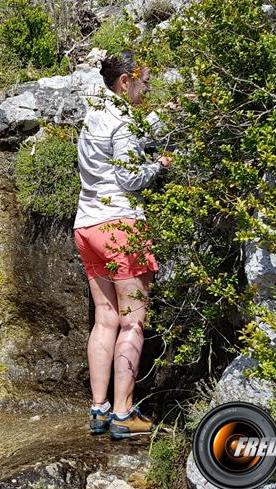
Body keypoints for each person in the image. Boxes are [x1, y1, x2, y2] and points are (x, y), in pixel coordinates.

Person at [73, 51, 172, 440]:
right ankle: (124, 413)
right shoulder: (122, 121)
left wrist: (166, 113)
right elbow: (130, 177)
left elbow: (125, 135)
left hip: (87, 226)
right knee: (133, 320)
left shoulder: (95, 113)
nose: (146, 91)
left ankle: (99, 410)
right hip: (120, 228)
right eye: (144, 83)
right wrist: (159, 166)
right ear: (125, 82)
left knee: (105, 319)